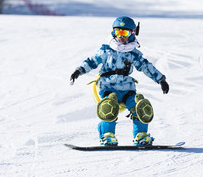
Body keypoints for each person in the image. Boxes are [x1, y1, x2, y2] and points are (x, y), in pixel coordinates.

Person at [69, 16, 170, 146]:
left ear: (133, 33)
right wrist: (79, 71)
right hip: (108, 87)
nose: (121, 36)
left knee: (139, 105)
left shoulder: (133, 54)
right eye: (118, 32)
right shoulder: (106, 50)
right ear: (113, 32)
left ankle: (140, 135)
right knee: (109, 105)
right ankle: (107, 135)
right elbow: (92, 61)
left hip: (127, 89)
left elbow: (146, 67)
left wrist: (160, 79)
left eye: (125, 33)